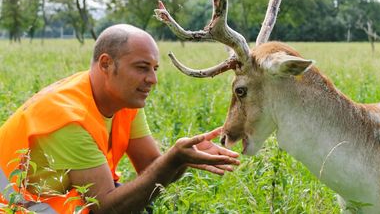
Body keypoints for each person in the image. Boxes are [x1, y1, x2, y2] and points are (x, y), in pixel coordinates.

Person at [0, 24, 240, 214]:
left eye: (154, 68)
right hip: (17, 207)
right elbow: (107, 208)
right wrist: (172, 160)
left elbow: (151, 167)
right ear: (106, 64)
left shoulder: (124, 100)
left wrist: (181, 159)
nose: (152, 79)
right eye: (141, 67)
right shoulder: (67, 119)